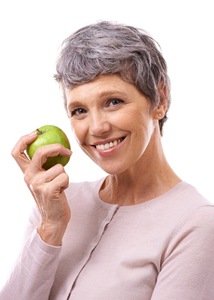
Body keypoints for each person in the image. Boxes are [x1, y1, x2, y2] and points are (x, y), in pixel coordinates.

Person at [1, 21, 214, 300]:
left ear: (159, 99)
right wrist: (50, 228)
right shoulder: (59, 203)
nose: (97, 127)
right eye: (79, 110)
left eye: (113, 101)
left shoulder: (195, 224)